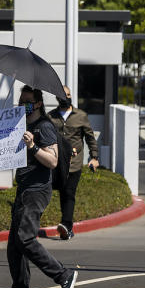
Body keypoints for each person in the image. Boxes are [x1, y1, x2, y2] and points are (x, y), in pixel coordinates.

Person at [0, 86, 78, 288]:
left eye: (27, 101)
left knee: (25, 238)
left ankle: (64, 275)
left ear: (39, 104)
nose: (23, 104)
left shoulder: (44, 127)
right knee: (15, 245)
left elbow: (52, 160)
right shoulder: (24, 125)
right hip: (24, 188)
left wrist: (32, 146)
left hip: (37, 190)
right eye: (21, 100)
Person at [48, 85, 100, 241]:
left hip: (74, 164)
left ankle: (66, 225)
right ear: (57, 97)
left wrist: (94, 157)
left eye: (68, 94)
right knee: (61, 193)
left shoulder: (81, 116)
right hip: (56, 163)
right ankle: (67, 228)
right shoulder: (50, 117)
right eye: (63, 95)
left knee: (69, 193)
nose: (66, 97)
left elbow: (90, 138)